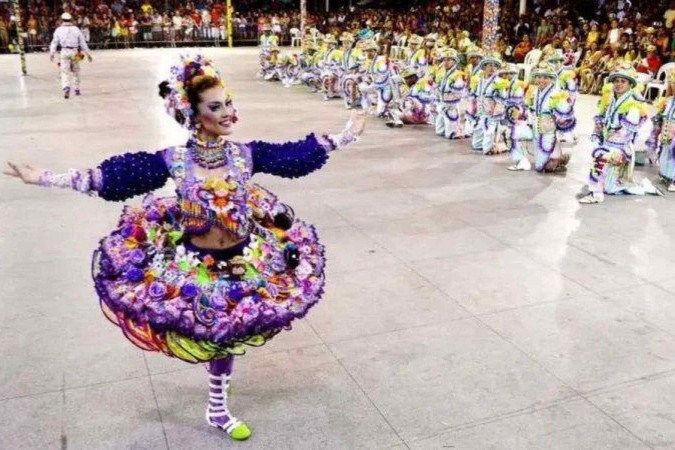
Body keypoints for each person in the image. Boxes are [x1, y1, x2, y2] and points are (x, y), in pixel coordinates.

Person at [4, 54, 366, 440]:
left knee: (227, 335)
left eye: (228, 102)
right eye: (216, 106)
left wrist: (346, 135)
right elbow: (109, 179)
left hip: (245, 258)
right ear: (193, 114)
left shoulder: (245, 155)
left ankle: (217, 408)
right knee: (210, 336)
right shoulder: (174, 161)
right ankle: (217, 403)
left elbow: (294, 156)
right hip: (195, 265)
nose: (228, 112)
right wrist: (43, 177)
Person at [579, 64, 662, 203]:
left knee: (600, 156)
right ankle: (643, 188)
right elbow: (601, 123)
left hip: (622, 149)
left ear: (630, 85)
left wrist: (604, 147)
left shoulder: (633, 106)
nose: (618, 84)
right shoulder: (610, 102)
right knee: (610, 188)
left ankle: (595, 194)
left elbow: (624, 134)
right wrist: (596, 136)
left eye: (623, 81)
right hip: (608, 145)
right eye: (616, 81)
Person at [523, 62, 575, 172]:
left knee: (540, 166)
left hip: (548, 130)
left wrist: (560, 121)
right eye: (539, 77)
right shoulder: (535, 91)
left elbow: (565, 113)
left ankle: (560, 158)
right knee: (539, 160)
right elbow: (531, 108)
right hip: (536, 127)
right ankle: (557, 157)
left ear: (551, 79)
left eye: (545, 77)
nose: (541, 80)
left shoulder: (556, 94)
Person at [49, 12, 93, 99]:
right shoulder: (76, 29)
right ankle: (76, 89)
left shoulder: (58, 30)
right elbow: (82, 43)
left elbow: (54, 42)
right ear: (71, 19)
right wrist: (88, 54)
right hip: (75, 52)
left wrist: (52, 53)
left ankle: (66, 88)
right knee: (76, 70)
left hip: (64, 52)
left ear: (62, 20)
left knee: (65, 71)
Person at [434, 48, 467, 139]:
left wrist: (450, 97)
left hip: (451, 102)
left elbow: (459, 90)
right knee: (439, 131)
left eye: (448, 60)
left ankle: (455, 131)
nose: (446, 62)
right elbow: (437, 86)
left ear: (454, 61)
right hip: (442, 100)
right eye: (444, 60)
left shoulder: (458, 74)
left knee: (451, 132)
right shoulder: (441, 73)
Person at [647, 96, 675, 192]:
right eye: (672, 84)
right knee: (665, 156)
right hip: (666, 136)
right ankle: (666, 177)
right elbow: (659, 120)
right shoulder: (668, 101)